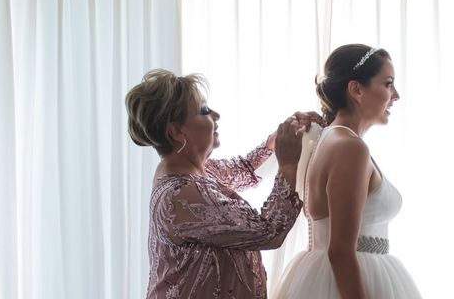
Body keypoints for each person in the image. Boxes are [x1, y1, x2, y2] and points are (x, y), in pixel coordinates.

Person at [125, 69, 321, 299]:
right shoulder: (180, 194)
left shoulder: (197, 171)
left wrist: (274, 143)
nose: (216, 115)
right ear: (176, 131)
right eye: (204, 111)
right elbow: (269, 232)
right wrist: (288, 165)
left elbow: (243, 169)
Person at [272, 44, 423, 299]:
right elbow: (341, 251)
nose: (396, 95)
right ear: (356, 89)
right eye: (388, 84)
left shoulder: (333, 140)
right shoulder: (349, 148)